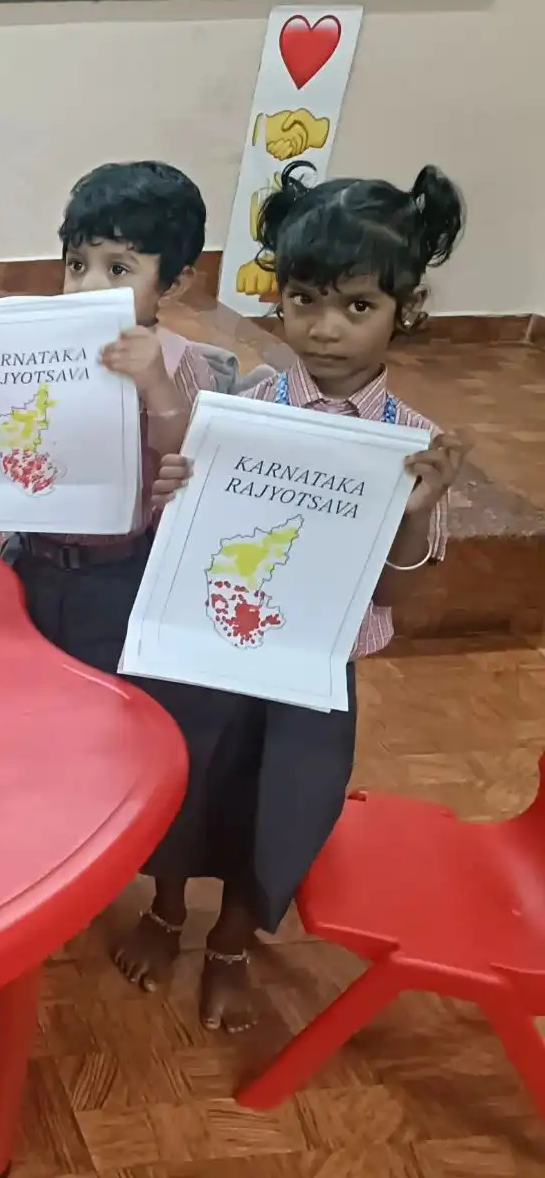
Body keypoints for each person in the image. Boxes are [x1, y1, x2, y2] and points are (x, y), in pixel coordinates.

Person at [128, 160, 472, 1031]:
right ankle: (166, 912)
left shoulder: (414, 448)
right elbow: (191, 530)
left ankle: (234, 943)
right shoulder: (240, 408)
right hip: (209, 649)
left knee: (281, 811)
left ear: (407, 312)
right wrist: (179, 488)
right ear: (277, 300)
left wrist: (414, 509)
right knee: (187, 784)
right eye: (305, 300)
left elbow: (402, 587)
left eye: (358, 307)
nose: (325, 329)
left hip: (313, 672)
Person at [0, 160, 219, 668]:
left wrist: (156, 387)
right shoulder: (39, 346)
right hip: (31, 558)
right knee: (24, 679)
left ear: (173, 284)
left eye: (118, 269)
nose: (87, 286)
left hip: (121, 575)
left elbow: (189, 466)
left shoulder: (178, 362)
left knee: (105, 696)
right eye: (77, 264)